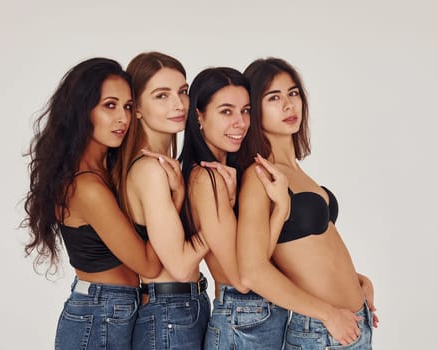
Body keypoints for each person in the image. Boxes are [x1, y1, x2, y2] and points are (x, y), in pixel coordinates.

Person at [22, 58, 171, 349]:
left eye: (128, 107)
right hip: (99, 315)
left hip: (114, 311)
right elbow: (148, 265)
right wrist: (170, 201)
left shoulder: (108, 171)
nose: (123, 119)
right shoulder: (87, 187)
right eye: (110, 105)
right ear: (82, 110)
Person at [237, 58, 378, 349]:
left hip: (351, 325)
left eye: (293, 93)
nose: (289, 105)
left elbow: (311, 254)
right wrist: (328, 314)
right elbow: (252, 271)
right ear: (253, 108)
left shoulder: (296, 172)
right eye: (274, 97)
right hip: (321, 332)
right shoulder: (259, 175)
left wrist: (358, 281)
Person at [179, 67, 291, 349]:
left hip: (255, 319)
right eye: (226, 112)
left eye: (245, 111)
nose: (240, 122)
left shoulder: (228, 173)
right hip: (242, 322)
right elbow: (242, 278)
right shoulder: (205, 178)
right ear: (199, 116)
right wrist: (281, 210)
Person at [115, 52, 210, 350]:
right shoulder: (150, 170)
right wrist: (221, 219)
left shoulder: (162, 165)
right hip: (170, 311)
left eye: (182, 91)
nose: (179, 104)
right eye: (162, 96)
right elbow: (180, 266)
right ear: (138, 108)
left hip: (179, 308)